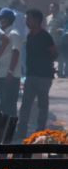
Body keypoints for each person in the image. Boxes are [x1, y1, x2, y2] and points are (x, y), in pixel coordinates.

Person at [20, 7, 59, 135]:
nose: (26, 21)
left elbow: (54, 53)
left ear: (36, 20)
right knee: (26, 103)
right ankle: (22, 129)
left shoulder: (45, 36)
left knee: (42, 104)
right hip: (31, 75)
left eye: (28, 19)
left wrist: (45, 62)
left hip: (44, 76)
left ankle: (40, 129)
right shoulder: (29, 36)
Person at [0, 8, 22, 121]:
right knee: (4, 104)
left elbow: (16, 52)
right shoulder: (4, 33)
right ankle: (4, 131)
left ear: (8, 20)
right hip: (1, 73)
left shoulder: (14, 33)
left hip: (9, 75)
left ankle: (9, 132)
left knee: (9, 104)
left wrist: (10, 72)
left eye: (1, 18)